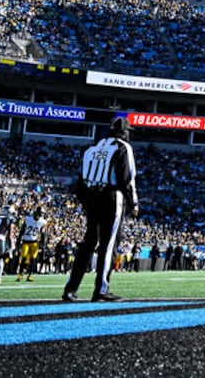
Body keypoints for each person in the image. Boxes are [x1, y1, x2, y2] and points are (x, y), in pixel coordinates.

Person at [63, 116, 139, 302]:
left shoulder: (92, 149)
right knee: (108, 244)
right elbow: (126, 179)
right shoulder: (123, 148)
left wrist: (86, 200)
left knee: (88, 243)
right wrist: (133, 203)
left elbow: (80, 181)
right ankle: (101, 289)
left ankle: (70, 289)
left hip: (92, 196)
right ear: (124, 132)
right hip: (112, 197)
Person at [15, 205, 48, 282]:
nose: (40, 216)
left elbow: (43, 234)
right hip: (26, 241)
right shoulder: (28, 219)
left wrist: (43, 244)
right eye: (39, 214)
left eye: (41, 214)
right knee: (23, 258)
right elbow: (22, 230)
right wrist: (18, 240)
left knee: (33, 259)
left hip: (34, 242)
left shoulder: (42, 222)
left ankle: (30, 275)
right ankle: (20, 274)